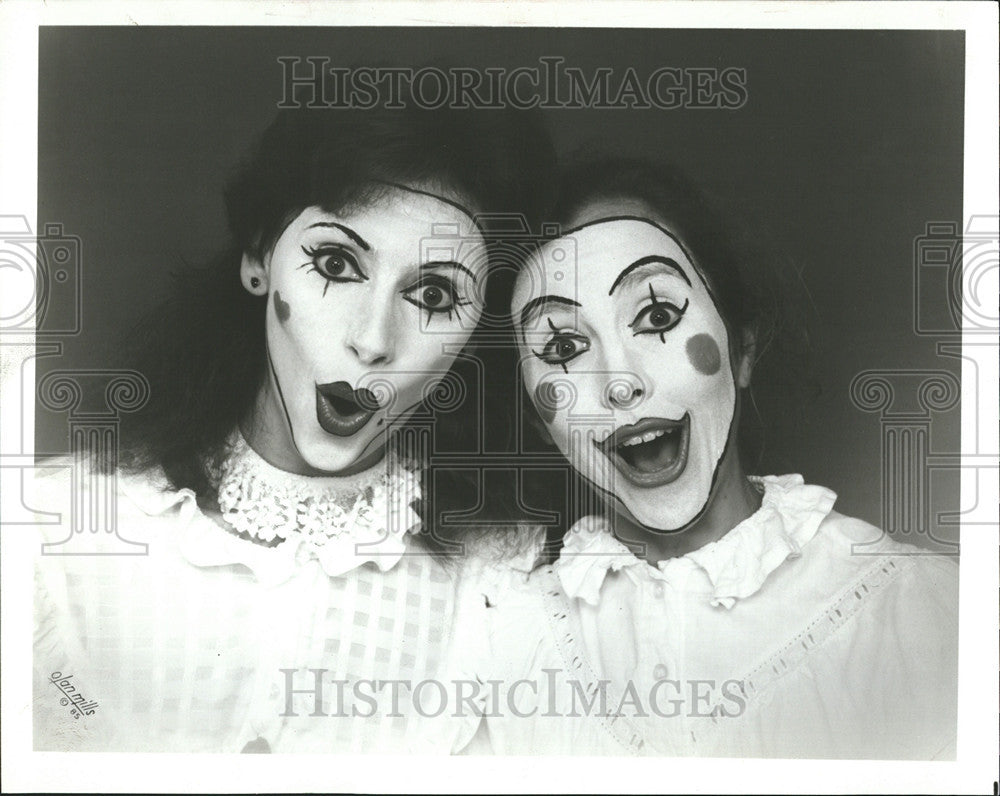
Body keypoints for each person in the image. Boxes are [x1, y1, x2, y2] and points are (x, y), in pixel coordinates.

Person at [32, 96, 555, 752]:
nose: (370, 341)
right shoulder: (52, 531)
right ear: (259, 259)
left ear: (474, 339)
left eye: (433, 296)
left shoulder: (507, 581)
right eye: (336, 265)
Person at [444, 157, 958, 759]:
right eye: (563, 347)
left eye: (657, 317)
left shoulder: (928, 618)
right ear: (540, 421)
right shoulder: (502, 648)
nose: (621, 383)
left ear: (742, 347)